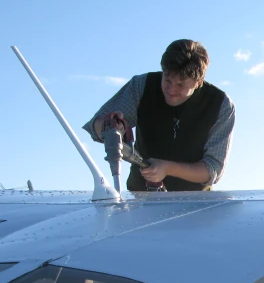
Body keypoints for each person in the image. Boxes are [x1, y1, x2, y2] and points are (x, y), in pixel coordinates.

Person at [83, 39, 235, 191]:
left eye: (181, 85)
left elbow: (213, 169)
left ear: (198, 82)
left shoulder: (221, 105)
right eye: (167, 79)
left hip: (194, 205)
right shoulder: (142, 86)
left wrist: (167, 168)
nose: (171, 90)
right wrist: (108, 126)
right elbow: (94, 128)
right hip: (141, 200)